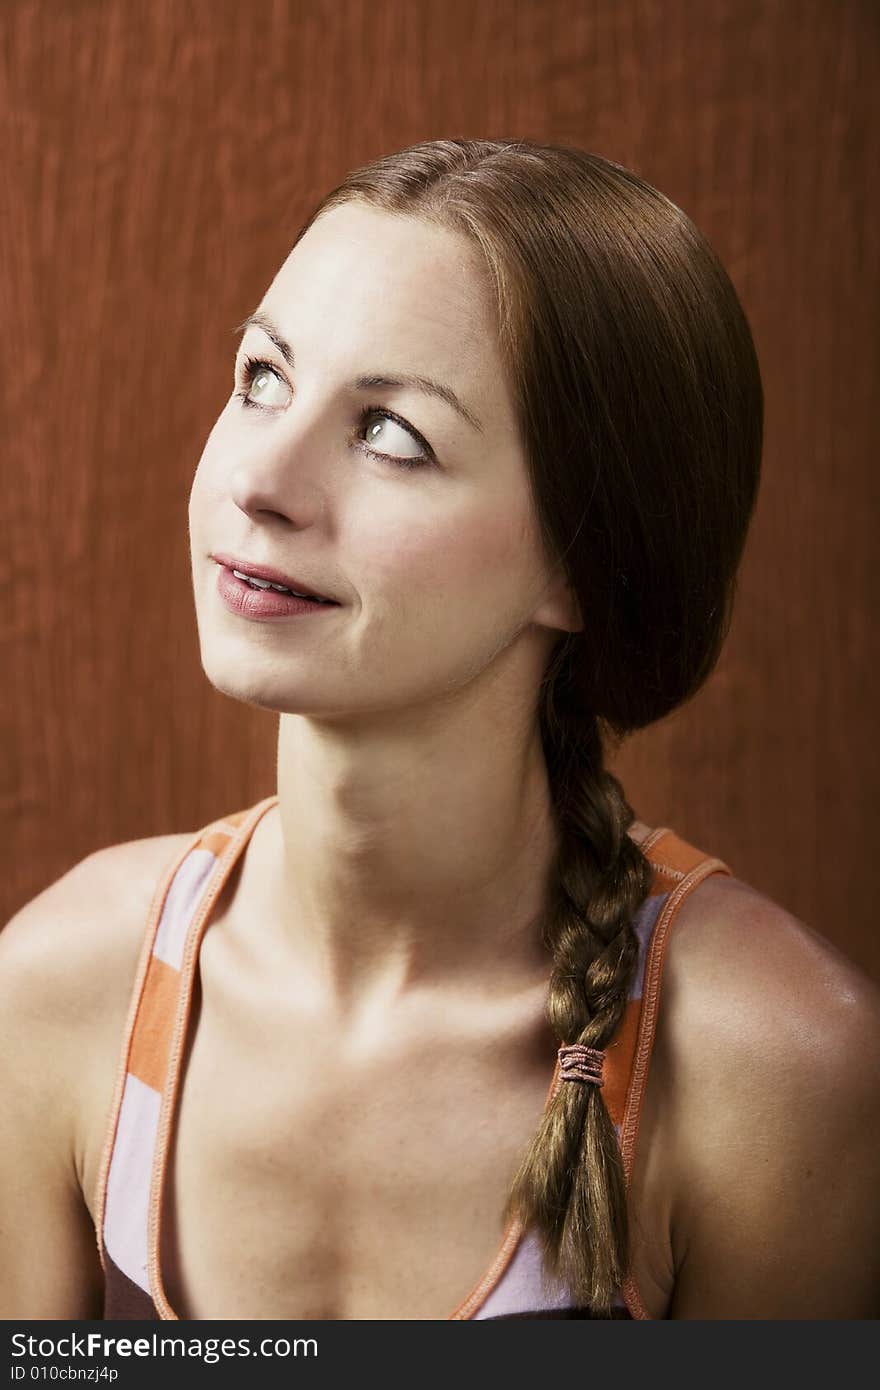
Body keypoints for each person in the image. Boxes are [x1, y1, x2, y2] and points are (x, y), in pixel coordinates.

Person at [2, 138, 878, 1322]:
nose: (259, 477)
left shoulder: (774, 1072)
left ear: (579, 563)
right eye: (262, 375)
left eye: (388, 434)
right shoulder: (59, 994)